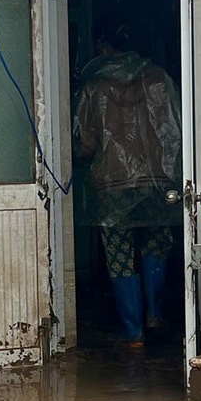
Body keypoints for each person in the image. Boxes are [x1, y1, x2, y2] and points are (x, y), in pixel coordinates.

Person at [74, 28, 181, 346]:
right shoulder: (159, 79)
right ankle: (155, 315)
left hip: (112, 186)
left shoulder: (93, 87)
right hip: (157, 183)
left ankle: (133, 332)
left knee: (120, 255)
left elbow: (86, 145)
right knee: (156, 246)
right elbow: (175, 132)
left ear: (103, 45)